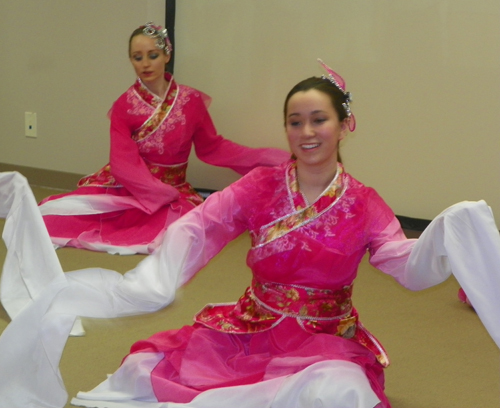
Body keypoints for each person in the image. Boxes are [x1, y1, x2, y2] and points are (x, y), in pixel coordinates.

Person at [1, 60, 499, 408]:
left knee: (341, 394)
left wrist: (447, 232)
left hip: (325, 338)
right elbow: (202, 225)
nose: (306, 132)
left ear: (345, 124)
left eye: (319, 120)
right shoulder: (260, 187)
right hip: (253, 325)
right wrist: (150, 282)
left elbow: (405, 265)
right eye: (294, 122)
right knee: (141, 375)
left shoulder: (364, 203)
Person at [38, 22, 289, 255]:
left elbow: (213, 147)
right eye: (138, 58)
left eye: (153, 55)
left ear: (167, 55)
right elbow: (122, 161)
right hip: (132, 186)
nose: (145, 64)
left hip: (174, 188)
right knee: (59, 218)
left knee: (188, 232)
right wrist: (156, 191)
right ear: (131, 61)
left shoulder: (191, 101)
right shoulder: (124, 106)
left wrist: (267, 158)